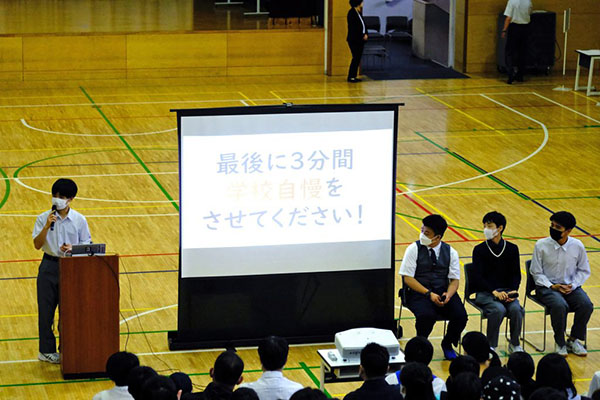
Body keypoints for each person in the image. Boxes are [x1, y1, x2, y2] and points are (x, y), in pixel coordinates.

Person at [33, 178, 92, 364]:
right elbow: (37, 244)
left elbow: (88, 244)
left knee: (68, 312)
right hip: (48, 266)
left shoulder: (79, 220)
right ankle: (46, 350)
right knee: (46, 311)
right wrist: (45, 227)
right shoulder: (43, 218)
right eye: (55, 196)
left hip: (70, 267)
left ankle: (67, 349)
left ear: (71, 199)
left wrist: (73, 249)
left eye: (62, 197)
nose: (57, 200)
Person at [399, 214, 468, 360]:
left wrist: (448, 295)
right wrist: (428, 293)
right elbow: (408, 278)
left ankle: (448, 343)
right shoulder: (413, 249)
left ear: (437, 237)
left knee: (460, 316)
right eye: (422, 230)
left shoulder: (451, 252)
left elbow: (454, 280)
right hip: (419, 293)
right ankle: (421, 344)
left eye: (427, 233)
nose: (422, 234)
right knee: (426, 316)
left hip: (442, 290)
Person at [530, 211, 593, 356]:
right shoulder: (541, 245)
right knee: (559, 305)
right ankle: (560, 343)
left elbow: (584, 270)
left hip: (571, 287)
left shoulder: (577, 246)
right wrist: (552, 286)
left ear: (568, 231)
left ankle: (573, 339)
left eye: (557, 227)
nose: (553, 229)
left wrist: (573, 285)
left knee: (586, 305)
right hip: (547, 287)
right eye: (551, 225)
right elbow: (536, 272)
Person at [472, 211, 524, 352]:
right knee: (498, 309)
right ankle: (491, 345)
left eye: (489, 225)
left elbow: (516, 274)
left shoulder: (512, 249)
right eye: (484, 226)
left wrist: (513, 290)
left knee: (516, 310)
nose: (485, 229)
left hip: (506, 291)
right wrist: (494, 292)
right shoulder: (479, 250)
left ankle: (515, 343)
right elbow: (478, 276)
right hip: (486, 292)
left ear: (500, 228)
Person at [501, 0, 532, 83]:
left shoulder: (512, 1)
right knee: (522, 52)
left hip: (514, 28)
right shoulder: (528, 1)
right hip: (525, 28)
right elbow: (529, 13)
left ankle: (510, 74)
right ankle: (520, 75)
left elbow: (508, 18)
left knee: (509, 52)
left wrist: (504, 30)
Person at [346, 0, 368, 82]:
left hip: (360, 40)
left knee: (357, 58)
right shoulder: (352, 13)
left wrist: (365, 33)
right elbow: (354, 28)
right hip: (354, 39)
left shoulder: (358, 12)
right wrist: (362, 35)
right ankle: (351, 76)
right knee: (355, 58)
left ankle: (353, 75)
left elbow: (363, 25)